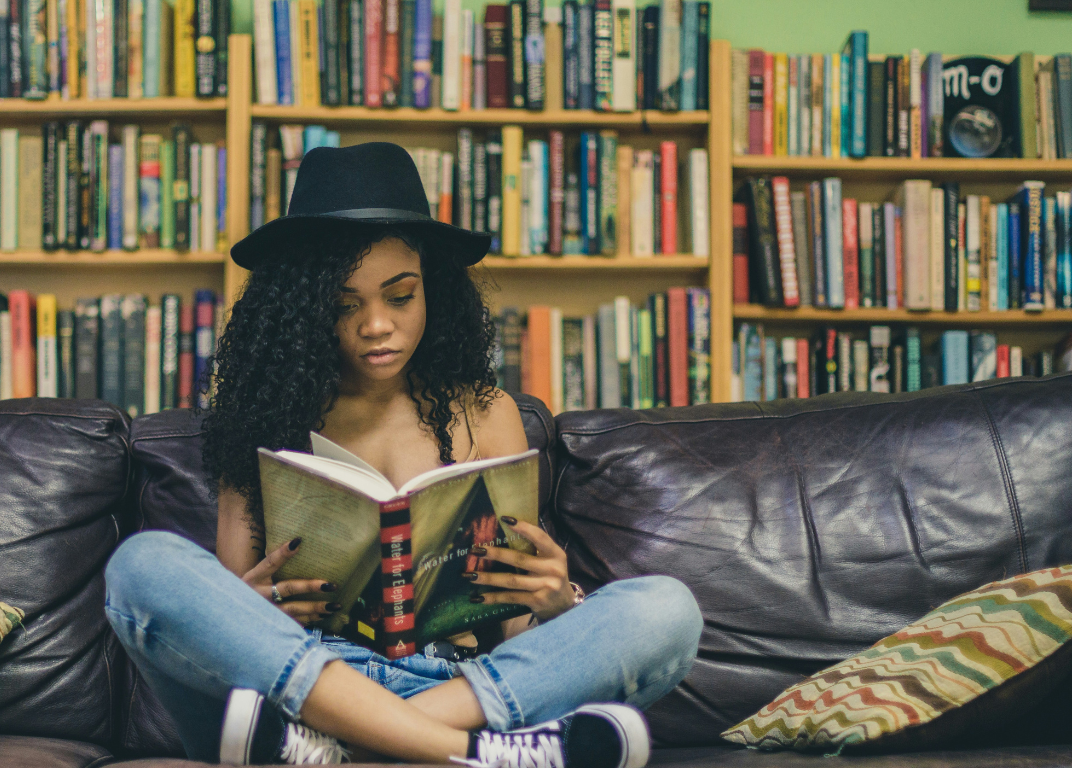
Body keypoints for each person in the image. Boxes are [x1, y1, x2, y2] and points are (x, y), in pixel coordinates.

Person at [103, 142, 703, 768]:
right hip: (302, 686)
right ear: (305, 311)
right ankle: (475, 756)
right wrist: (250, 607)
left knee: (666, 611)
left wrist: (555, 600)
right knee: (141, 567)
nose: (375, 326)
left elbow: (515, 632)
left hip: (452, 689)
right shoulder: (261, 419)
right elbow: (228, 630)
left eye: (399, 296)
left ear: (433, 292)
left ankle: (351, 749)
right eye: (343, 304)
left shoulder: (487, 412)